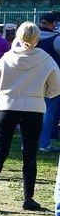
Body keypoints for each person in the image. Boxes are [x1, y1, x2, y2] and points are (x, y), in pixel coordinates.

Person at [0, 23, 60, 211]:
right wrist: (40, 91)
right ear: (37, 38)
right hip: (34, 107)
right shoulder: (45, 59)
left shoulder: (7, 57)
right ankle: (28, 198)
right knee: (30, 154)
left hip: (7, 106)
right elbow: (55, 88)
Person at [33, 12, 60, 151]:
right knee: (49, 111)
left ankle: (27, 143)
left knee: (33, 111)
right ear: (53, 24)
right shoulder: (56, 39)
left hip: (32, 79)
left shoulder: (32, 38)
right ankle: (44, 143)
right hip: (51, 80)